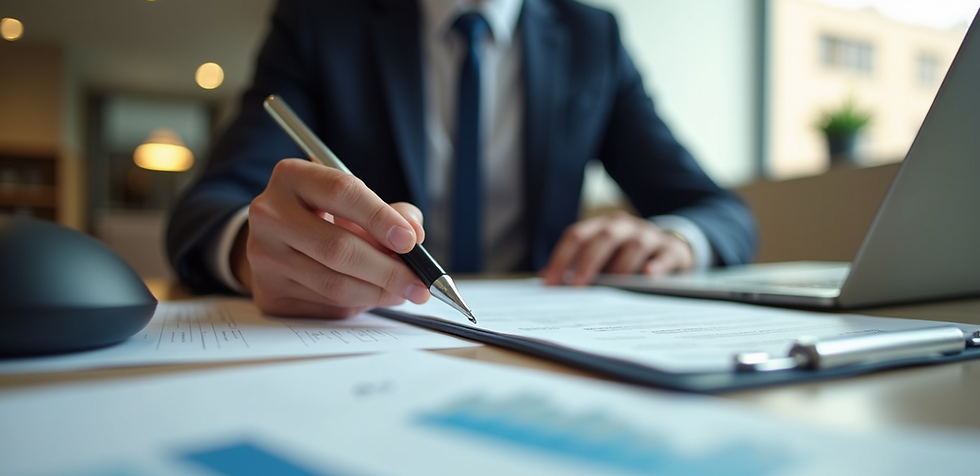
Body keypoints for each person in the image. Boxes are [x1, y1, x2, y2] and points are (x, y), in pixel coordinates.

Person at [166, 0, 757, 319]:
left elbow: (717, 210)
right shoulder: (320, 20)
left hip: (540, 344)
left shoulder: (590, 37)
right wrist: (257, 250)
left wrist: (678, 240)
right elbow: (206, 212)